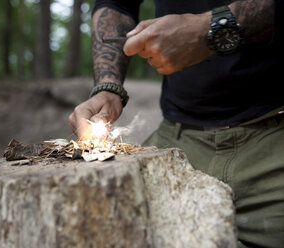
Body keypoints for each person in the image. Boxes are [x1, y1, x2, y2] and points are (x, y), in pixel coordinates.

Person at [69, 0, 284, 247]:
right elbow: (118, 4)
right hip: (176, 144)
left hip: (275, 138)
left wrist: (208, 29)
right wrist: (107, 87)